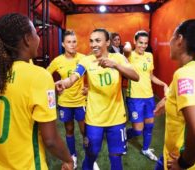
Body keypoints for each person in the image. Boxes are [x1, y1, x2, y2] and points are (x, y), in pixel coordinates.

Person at [0, 13, 73, 170]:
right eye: (36, 33)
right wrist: (68, 160)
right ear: (26, 39)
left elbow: (17, 100)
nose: (38, 39)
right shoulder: (38, 76)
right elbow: (50, 140)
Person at [56, 28, 139, 170]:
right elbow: (74, 77)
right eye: (91, 41)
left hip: (116, 118)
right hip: (94, 119)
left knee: (116, 157)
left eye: (98, 40)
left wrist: (116, 65)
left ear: (107, 42)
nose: (93, 44)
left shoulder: (118, 58)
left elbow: (135, 76)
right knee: (91, 154)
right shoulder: (86, 61)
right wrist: (64, 83)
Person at [154, 19, 195, 170]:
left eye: (172, 36)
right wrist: (168, 101)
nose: (170, 41)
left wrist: (183, 163)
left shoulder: (186, 74)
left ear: (179, 40)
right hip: (172, 156)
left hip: (186, 163)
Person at [47, 30, 91, 169]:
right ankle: (73, 156)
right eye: (69, 42)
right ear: (63, 44)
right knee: (69, 130)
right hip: (65, 103)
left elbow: (94, 75)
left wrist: (88, 87)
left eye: (74, 42)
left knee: (85, 131)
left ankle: (90, 160)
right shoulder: (57, 61)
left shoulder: (84, 58)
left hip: (80, 102)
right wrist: (54, 86)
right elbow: (45, 77)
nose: (72, 45)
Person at [124, 30, 168, 161]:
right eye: (140, 43)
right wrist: (126, 47)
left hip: (149, 96)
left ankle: (145, 149)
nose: (143, 46)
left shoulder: (149, 55)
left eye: (145, 43)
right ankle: (125, 135)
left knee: (149, 126)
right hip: (134, 97)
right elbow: (125, 52)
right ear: (135, 41)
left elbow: (150, 75)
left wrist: (163, 84)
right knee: (138, 130)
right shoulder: (129, 55)